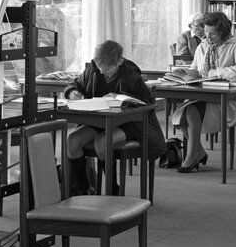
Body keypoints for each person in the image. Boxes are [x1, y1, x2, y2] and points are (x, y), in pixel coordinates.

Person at [62, 39, 167, 195]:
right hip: (100, 120)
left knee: (102, 142)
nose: (103, 72)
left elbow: (146, 104)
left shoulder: (131, 75)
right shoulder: (93, 69)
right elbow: (75, 85)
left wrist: (120, 97)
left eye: (108, 68)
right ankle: (84, 189)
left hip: (130, 124)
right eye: (100, 67)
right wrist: (72, 92)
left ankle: (113, 190)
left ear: (120, 61)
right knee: (73, 141)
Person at [171, 10, 236, 171]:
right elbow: (195, 69)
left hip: (226, 100)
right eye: (206, 32)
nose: (207, 37)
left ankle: (192, 157)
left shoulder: (234, 45)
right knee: (181, 114)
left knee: (190, 110)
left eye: (212, 34)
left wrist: (218, 72)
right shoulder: (203, 45)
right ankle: (197, 153)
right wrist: (184, 74)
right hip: (203, 94)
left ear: (222, 32)